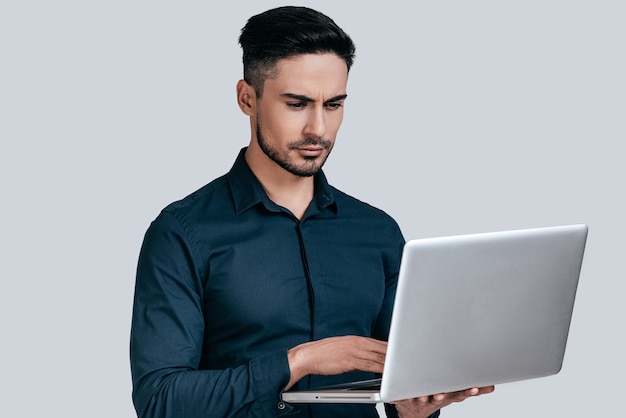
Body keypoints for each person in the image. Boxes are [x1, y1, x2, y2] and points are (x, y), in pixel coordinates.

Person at [130, 6, 494, 418]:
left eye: (334, 104)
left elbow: (400, 393)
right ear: (247, 98)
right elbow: (159, 401)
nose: (318, 129)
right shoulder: (182, 232)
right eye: (297, 104)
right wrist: (298, 362)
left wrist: (418, 409)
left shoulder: (378, 232)